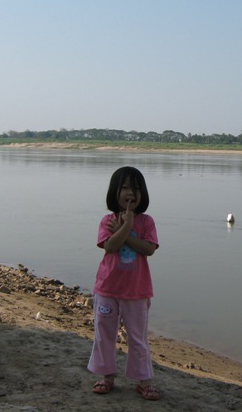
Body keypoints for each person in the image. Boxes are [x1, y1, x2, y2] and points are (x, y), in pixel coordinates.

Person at [87, 166, 161, 401]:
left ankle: (144, 382)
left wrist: (126, 230)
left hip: (137, 291)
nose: (131, 193)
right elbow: (110, 246)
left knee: (137, 338)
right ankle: (107, 377)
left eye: (136, 188)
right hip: (107, 289)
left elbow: (149, 249)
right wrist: (126, 226)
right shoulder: (107, 221)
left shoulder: (147, 222)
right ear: (115, 192)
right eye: (126, 187)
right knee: (104, 334)